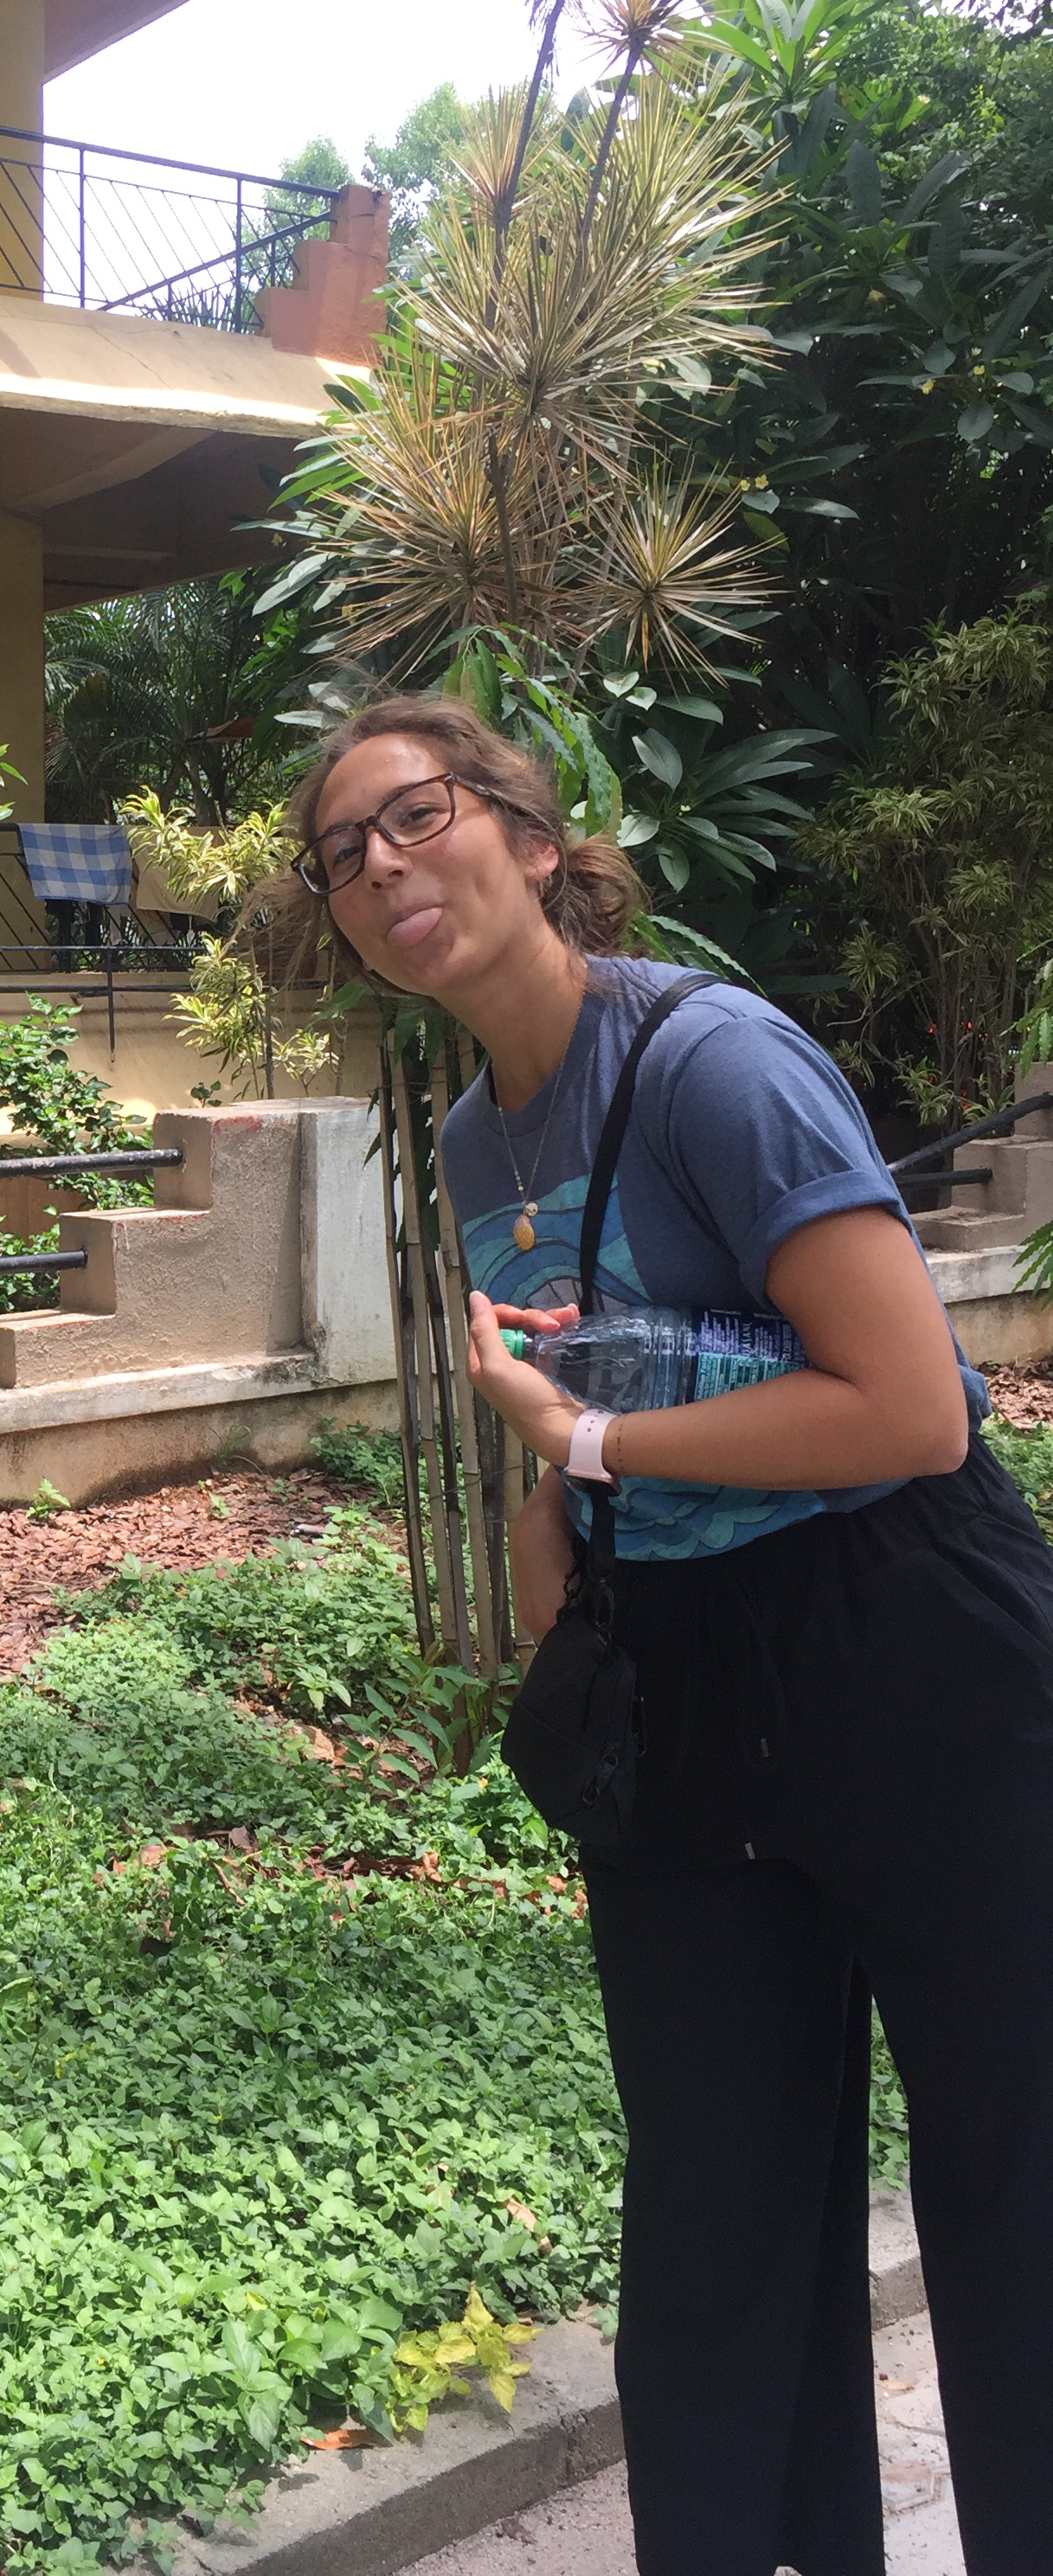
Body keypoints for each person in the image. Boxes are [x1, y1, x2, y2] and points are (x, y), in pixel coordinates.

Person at [292, 695, 1053, 2576]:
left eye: (419, 814)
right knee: (717, 2213)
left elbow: (908, 1409)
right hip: (689, 1678)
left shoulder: (717, 1062)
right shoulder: (478, 1144)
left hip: (917, 1644)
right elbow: (576, 1390)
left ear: (537, 843)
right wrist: (567, 1526)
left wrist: (596, 1445)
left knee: (1012, 2181)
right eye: (342, 852)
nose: (381, 863)